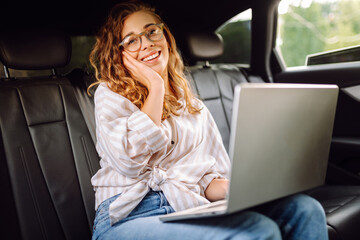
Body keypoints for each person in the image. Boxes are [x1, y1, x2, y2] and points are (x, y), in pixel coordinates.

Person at [89, 1, 329, 239]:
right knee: (257, 231)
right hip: (127, 216)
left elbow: (208, 180)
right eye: (131, 40)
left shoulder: (193, 105)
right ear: (119, 54)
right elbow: (130, 161)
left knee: (305, 210)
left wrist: (246, 188)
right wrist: (156, 86)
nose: (147, 43)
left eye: (152, 31)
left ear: (166, 36)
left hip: (186, 206)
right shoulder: (109, 94)